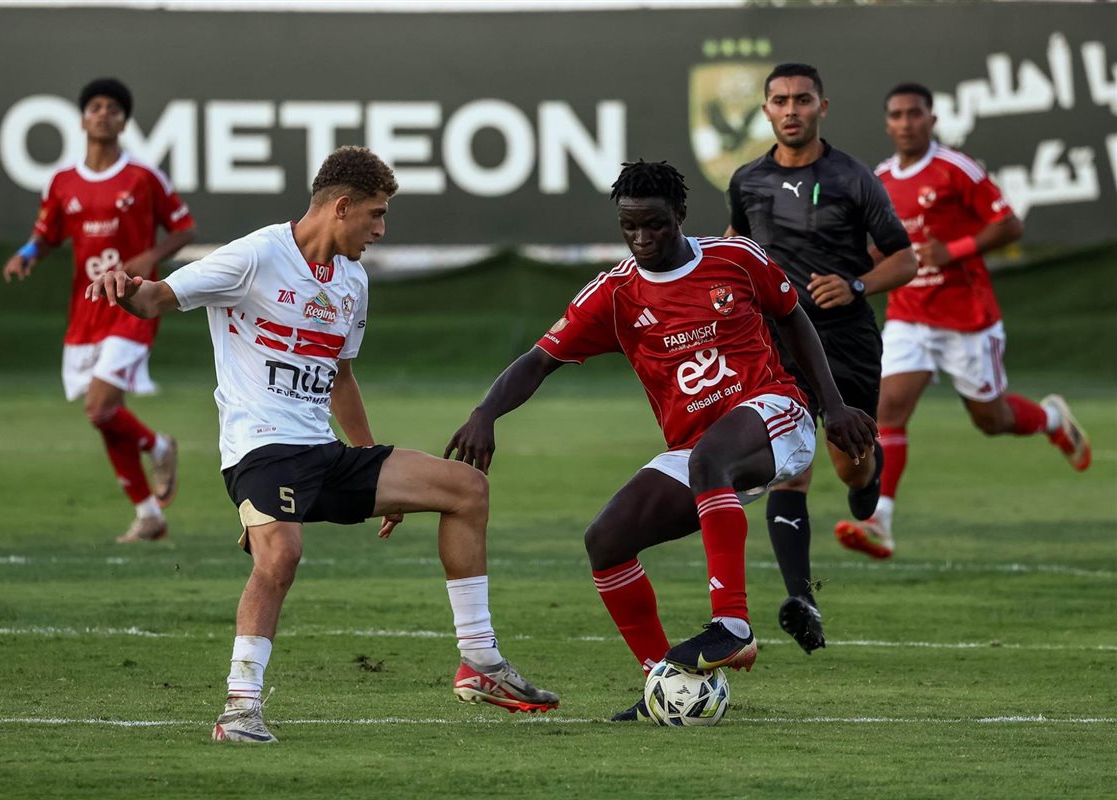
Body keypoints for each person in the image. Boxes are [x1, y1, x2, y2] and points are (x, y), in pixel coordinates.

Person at [85, 146, 558, 744]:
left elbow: (341, 378)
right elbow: (154, 298)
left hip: (323, 452)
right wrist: (123, 287)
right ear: (341, 207)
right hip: (261, 449)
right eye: (376, 215)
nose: (381, 230)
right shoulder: (255, 256)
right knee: (281, 556)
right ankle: (240, 708)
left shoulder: (353, 281)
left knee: (466, 488)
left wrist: (370, 461)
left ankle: (480, 662)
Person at [445, 159, 877, 721]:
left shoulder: (736, 259)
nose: (642, 238)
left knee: (709, 458)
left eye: (655, 225)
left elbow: (794, 318)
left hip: (775, 413)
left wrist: (833, 404)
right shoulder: (615, 293)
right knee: (606, 540)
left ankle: (732, 624)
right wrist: (486, 413)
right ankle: (662, 685)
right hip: (697, 452)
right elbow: (538, 360)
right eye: (630, 227)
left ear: (680, 215)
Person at [834, 83, 1092, 557]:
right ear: (887, 123)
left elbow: (1010, 225)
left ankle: (1052, 419)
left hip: (966, 318)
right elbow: (882, 247)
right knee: (888, 410)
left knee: (991, 420)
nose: (906, 122)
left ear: (932, 119)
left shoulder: (957, 168)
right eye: (897, 114)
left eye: (915, 113)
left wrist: (954, 250)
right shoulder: (881, 177)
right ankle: (879, 520)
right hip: (909, 315)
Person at [725, 62, 919, 652]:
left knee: (850, 465)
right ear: (766, 109)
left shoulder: (853, 177)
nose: (792, 110)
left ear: (822, 107)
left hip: (846, 340)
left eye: (803, 99)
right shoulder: (747, 180)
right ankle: (801, 598)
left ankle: (869, 479)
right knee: (791, 464)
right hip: (778, 343)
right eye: (781, 100)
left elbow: (905, 258)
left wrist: (858, 284)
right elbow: (736, 249)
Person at [2, 78, 195, 543]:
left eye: (113, 108)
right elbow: (46, 232)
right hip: (87, 309)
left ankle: (159, 446)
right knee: (107, 417)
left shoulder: (143, 177)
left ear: (124, 122)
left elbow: (184, 229)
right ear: (83, 119)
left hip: (131, 304)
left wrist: (150, 256)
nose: (103, 113)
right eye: (95, 106)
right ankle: (148, 514)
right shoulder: (62, 182)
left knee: (99, 406)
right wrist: (27, 255)